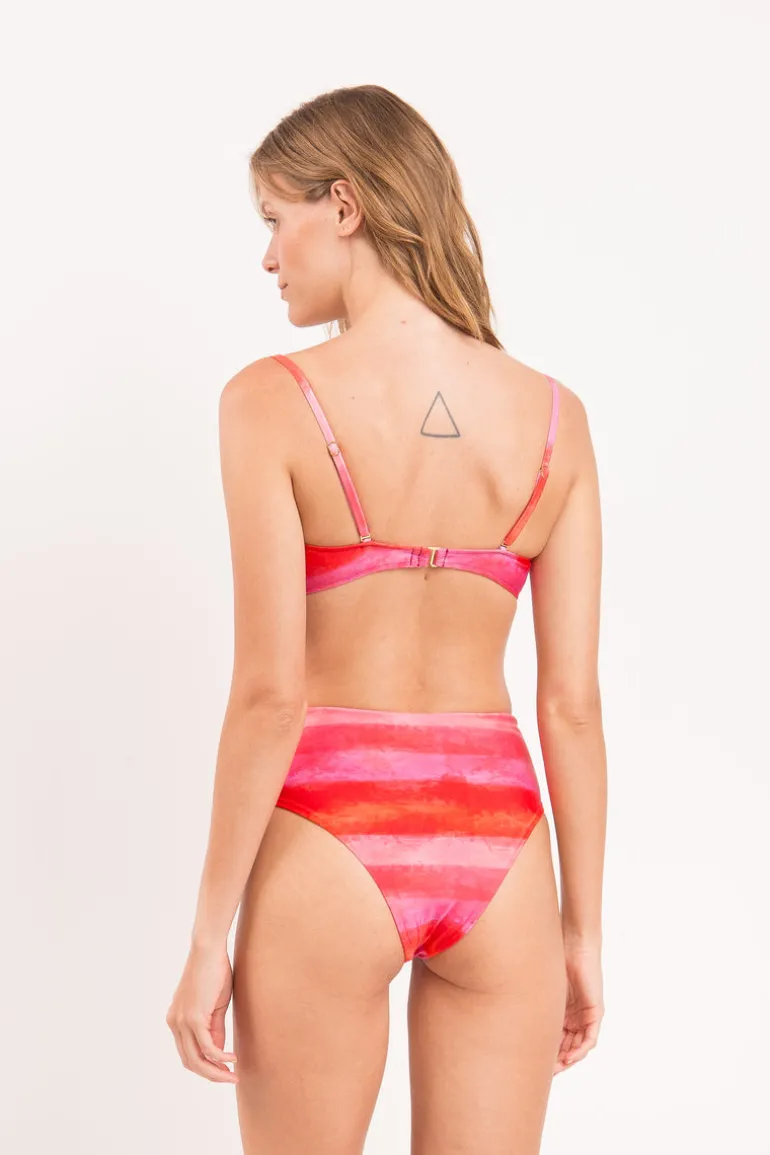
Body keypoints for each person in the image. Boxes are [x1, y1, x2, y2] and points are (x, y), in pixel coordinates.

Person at [166, 84, 607, 1155]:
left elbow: (270, 695)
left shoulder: (271, 399)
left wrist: (208, 934)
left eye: (276, 218)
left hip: (329, 831)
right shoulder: (554, 417)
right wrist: (582, 930)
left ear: (345, 205)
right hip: (502, 848)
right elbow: (570, 706)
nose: (268, 256)